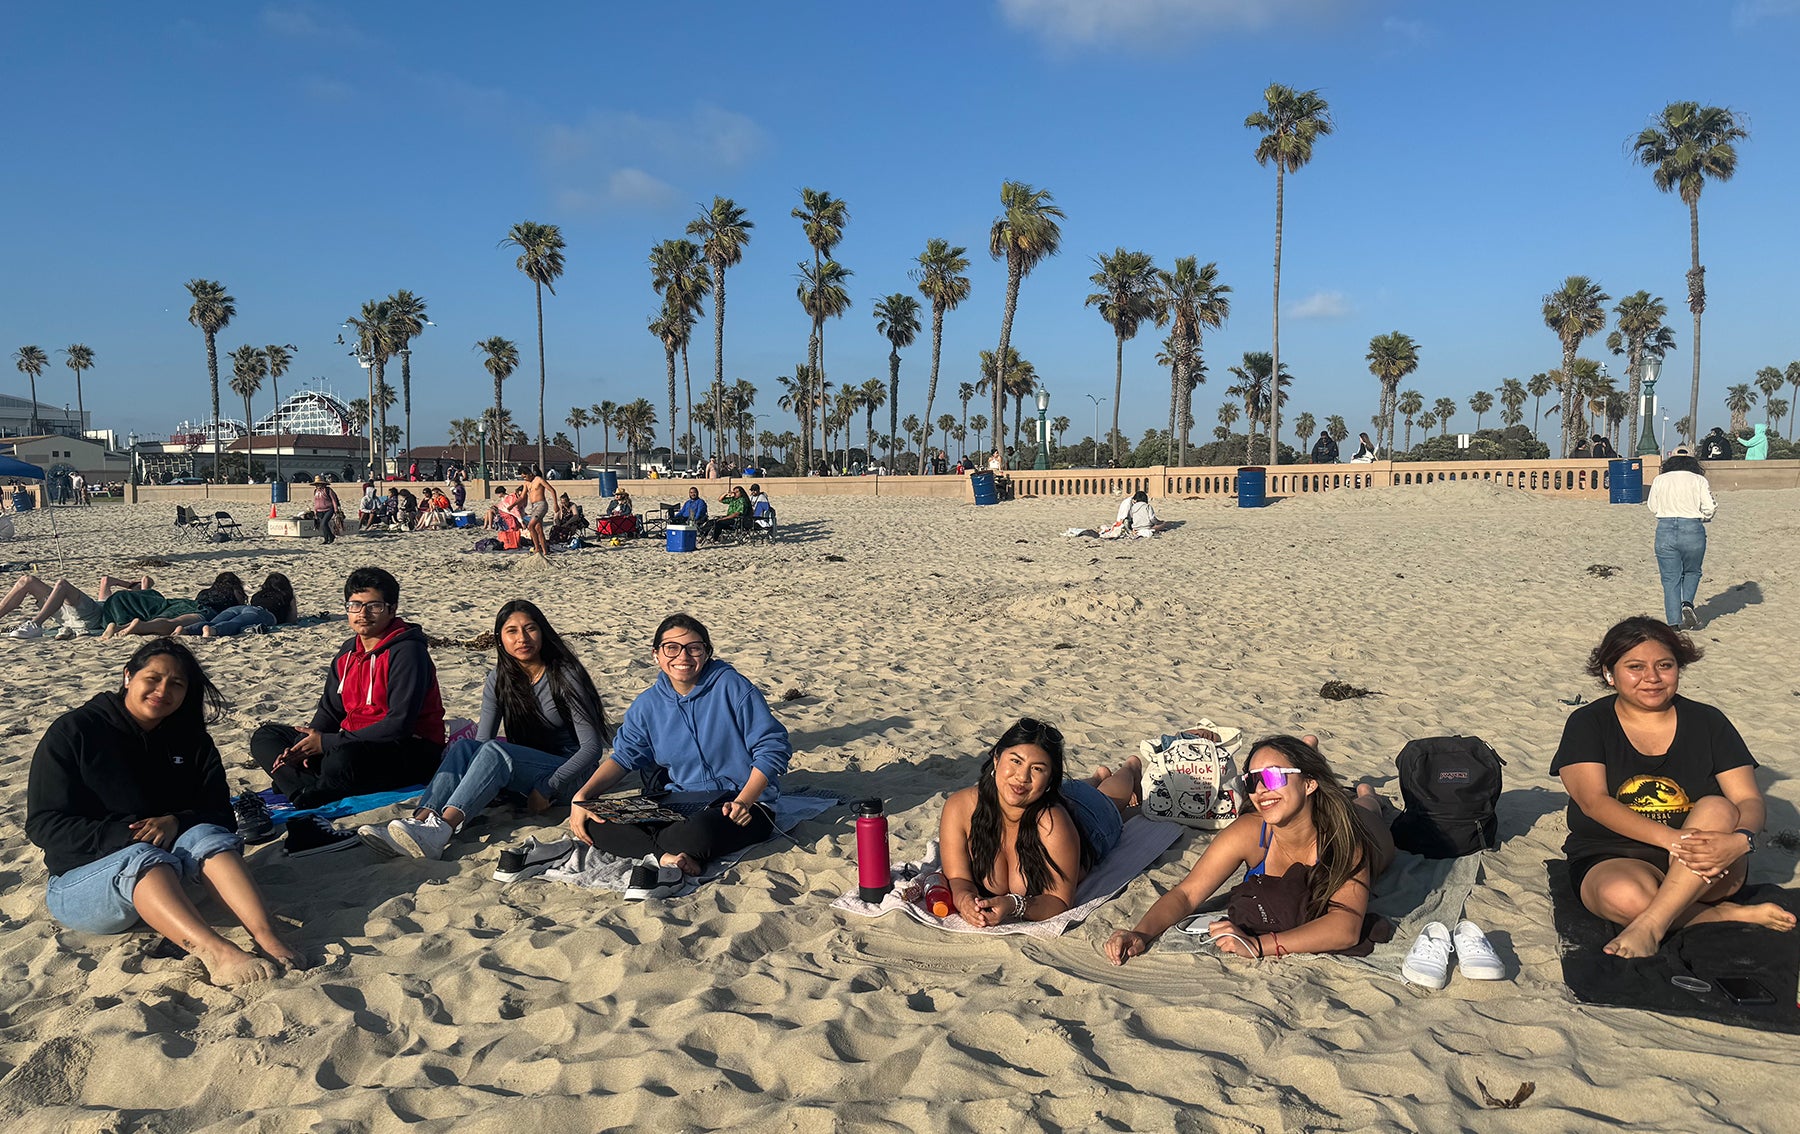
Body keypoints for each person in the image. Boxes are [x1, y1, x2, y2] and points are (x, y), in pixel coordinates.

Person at [25, 638, 305, 985]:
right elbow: (43, 825)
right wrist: (127, 835)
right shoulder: (74, 732)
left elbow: (220, 814)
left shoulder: (192, 740)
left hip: (178, 876)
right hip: (83, 885)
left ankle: (266, 936)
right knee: (143, 856)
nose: (162, 691)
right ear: (128, 676)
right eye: (153, 679)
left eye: (176, 684)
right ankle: (216, 953)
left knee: (207, 836)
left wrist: (176, 822)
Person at [1551, 616, 1794, 958]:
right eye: (1635, 667)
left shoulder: (1708, 721)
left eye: (1664, 665)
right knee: (1625, 898)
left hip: (1707, 861)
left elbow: (1748, 799)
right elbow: (1593, 801)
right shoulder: (1588, 723)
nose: (1652, 677)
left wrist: (1741, 840)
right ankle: (1724, 915)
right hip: (1614, 852)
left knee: (1718, 807)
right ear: (1609, 673)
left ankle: (1651, 925)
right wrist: (1671, 839)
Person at [1105, 735, 1397, 964]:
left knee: (1363, 808)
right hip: (1308, 798)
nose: (1260, 791)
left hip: (1368, 829)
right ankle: (1309, 756)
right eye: (1253, 781)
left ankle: (1367, 793)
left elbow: (1345, 928)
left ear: (1309, 784)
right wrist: (1140, 932)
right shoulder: (1250, 831)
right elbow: (1187, 893)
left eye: (1273, 777)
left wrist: (1257, 945)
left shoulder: (1343, 839)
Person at [362, 600, 612, 859]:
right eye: (512, 631)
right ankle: (421, 821)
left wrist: (547, 786)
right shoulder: (499, 679)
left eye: (530, 629)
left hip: (572, 777)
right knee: (464, 747)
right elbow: (480, 744)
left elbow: (592, 749)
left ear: (543, 632)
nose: (522, 638)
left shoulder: (565, 675)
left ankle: (442, 829)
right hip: (529, 770)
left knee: (495, 751)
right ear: (500, 638)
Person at [565, 614, 790, 876]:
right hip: (682, 799)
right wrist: (582, 796)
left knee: (698, 833)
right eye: (671, 648)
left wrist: (745, 800)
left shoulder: (732, 687)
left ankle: (655, 850)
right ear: (656, 655)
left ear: (706, 653)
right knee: (595, 821)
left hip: (742, 804)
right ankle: (667, 857)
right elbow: (624, 757)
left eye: (694, 648)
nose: (683, 656)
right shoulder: (647, 704)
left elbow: (772, 747)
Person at [249, 566, 446, 808]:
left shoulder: (408, 652)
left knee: (340, 760)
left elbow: (399, 725)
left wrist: (326, 744)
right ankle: (308, 787)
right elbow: (330, 711)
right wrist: (303, 745)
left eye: (374, 606)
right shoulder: (348, 652)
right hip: (349, 739)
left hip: (407, 747)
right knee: (266, 737)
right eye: (355, 605)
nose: (363, 614)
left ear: (392, 609)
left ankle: (302, 789)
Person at [938, 719, 1141, 925]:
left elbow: (1060, 901)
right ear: (997, 759)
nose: (1022, 777)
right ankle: (1098, 776)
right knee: (1071, 789)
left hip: (1090, 820)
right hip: (1051, 794)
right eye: (1016, 761)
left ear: (1049, 778)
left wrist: (1015, 905)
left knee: (1112, 799)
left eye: (1037, 769)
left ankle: (1130, 768)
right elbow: (958, 878)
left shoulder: (1052, 824)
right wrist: (964, 900)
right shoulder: (960, 807)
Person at [1645, 447, 1715, 631]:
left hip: (1665, 528)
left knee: (1670, 578)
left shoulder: (1660, 480)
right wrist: (1704, 516)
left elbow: (1652, 506)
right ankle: (1687, 603)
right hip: (1692, 528)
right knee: (1692, 571)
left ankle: (1674, 623)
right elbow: (1709, 507)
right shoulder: (1699, 480)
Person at [4, 572, 152, 640]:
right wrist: (129, 585)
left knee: (63, 584)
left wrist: (140, 588)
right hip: (66, 613)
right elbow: (106, 580)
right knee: (27, 580)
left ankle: (35, 624)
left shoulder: (138, 599)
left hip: (92, 617)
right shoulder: (109, 598)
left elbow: (147, 580)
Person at [187, 572, 299, 638]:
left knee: (214, 621)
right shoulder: (286, 596)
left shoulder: (258, 595)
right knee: (236, 624)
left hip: (242, 608)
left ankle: (186, 630)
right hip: (262, 613)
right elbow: (292, 619)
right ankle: (213, 631)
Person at [521, 466, 552, 556]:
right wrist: (512, 505)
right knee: (538, 529)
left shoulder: (539, 480)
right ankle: (545, 551)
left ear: (530, 474)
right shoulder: (526, 483)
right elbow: (522, 496)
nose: (524, 479)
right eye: (523, 477)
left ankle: (537, 548)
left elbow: (552, 490)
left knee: (531, 526)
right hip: (533, 506)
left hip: (541, 505)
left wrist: (555, 504)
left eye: (525, 476)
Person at [311, 476, 341, 545]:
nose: (318, 486)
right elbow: (315, 501)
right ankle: (326, 539)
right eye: (317, 484)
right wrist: (315, 510)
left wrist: (336, 509)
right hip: (319, 510)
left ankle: (331, 536)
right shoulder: (315, 491)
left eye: (319, 484)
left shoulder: (328, 490)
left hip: (329, 509)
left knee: (323, 523)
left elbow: (333, 500)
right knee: (323, 525)